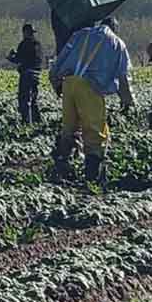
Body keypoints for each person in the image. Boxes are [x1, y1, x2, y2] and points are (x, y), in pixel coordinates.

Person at [50, 17, 134, 182]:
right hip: (90, 88)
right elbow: (123, 76)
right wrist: (127, 100)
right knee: (95, 133)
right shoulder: (117, 43)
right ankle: (91, 177)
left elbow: (61, 57)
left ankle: (61, 168)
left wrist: (56, 83)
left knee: (69, 129)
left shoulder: (81, 34)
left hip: (69, 83)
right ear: (114, 28)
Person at [7, 23, 43, 123]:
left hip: (27, 74)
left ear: (24, 32)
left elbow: (19, 59)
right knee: (33, 99)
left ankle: (26, 122)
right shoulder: (38, 44)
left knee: (24, 98)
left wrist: (11, 57)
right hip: (37, 74)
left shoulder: (24, 44)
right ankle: (37, 121)